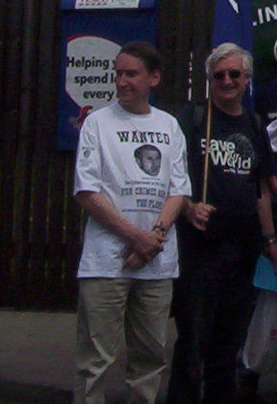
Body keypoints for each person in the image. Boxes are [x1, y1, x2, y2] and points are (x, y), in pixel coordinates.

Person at [73, 42, 192, 404]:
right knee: (96, 361)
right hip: (106, 261)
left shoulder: (168, 125)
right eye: (118, 73)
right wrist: (134, 237)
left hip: (156, 264)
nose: (121, 81)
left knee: (150, 359)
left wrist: (153, 238)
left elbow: (179, 190)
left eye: (131, 74)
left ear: (153, 78)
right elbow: (86, 191)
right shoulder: (97, 123)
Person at [169, 43, 277, 404]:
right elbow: (170, 181)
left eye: (234, 74)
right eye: (219, 75)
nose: (227, 81)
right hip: (201, 246)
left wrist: (269, 239)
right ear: (209, 80)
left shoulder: (254, 123)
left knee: (230, 339)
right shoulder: (193, 118)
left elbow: (261, 187)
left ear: (247, 79)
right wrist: (188, 208)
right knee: (194, 337)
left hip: (243, 246)